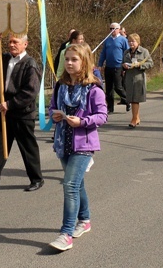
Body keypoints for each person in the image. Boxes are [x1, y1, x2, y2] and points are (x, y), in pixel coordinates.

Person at [0, 29, 44, 199]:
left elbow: (30, 91)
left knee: (28, 148)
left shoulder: (30, 64)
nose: (11, 45)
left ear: (25, 44)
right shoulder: (5, 59)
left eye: (15, 42)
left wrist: (10, 104)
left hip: (22, 114)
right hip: (4, 114)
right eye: (10, 42)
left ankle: (37, 179)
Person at [48, 44, 107, 251]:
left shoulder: (94, 88)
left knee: (69, 185)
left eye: (74, 59)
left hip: (84, 143)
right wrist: (54, 115)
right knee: (77, 184)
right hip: (63, 142)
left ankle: (66, 233)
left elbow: (102, 116)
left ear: (84, 62)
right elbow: (52, 107)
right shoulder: (60, 85)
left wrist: (81, 122)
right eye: (67, 59)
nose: (70, 63)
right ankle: (85, 219)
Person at [123, 33, 154, 128]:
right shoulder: (126, 52)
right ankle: (137, 118)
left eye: (133, 41)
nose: (131, 43)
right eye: (129, 41)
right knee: (132, 99)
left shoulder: (144, 51)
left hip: (138, 78)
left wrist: (140, 65)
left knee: (135, 99)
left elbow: (150, 63)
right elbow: (123, 62)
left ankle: (134, 119)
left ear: (138, 42)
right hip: (128, 78)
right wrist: (123, 66)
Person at [97, 22, 129, 113]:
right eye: (111, 29)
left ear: (118, 29)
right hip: (109, 66)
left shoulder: (123, 40)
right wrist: (100, 64)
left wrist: (125, 65)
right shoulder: (107, 41)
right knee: (109, 88)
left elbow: (127, 53)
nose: (112, 31)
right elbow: (103, 53)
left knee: (118, 87)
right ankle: (110, 107)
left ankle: (127, 100)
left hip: (118, 66)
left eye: (114, 29)